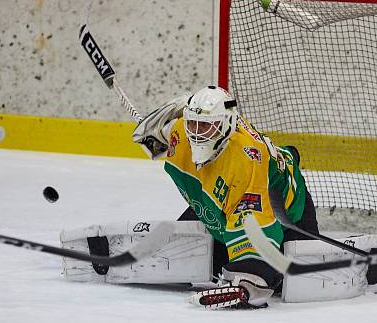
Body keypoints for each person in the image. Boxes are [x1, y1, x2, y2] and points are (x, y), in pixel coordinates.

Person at [131, 85, 319, 309]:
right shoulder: (181, 131)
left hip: (287, 214)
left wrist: (250, 281)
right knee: (201, 259)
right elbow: (147, 138)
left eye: (207, 127)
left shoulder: (246, 161)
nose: (198, 134)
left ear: (226, 125)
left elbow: (255, 225)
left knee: (290, 278)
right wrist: (172, 110)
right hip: (219, 209)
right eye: (193, 123)